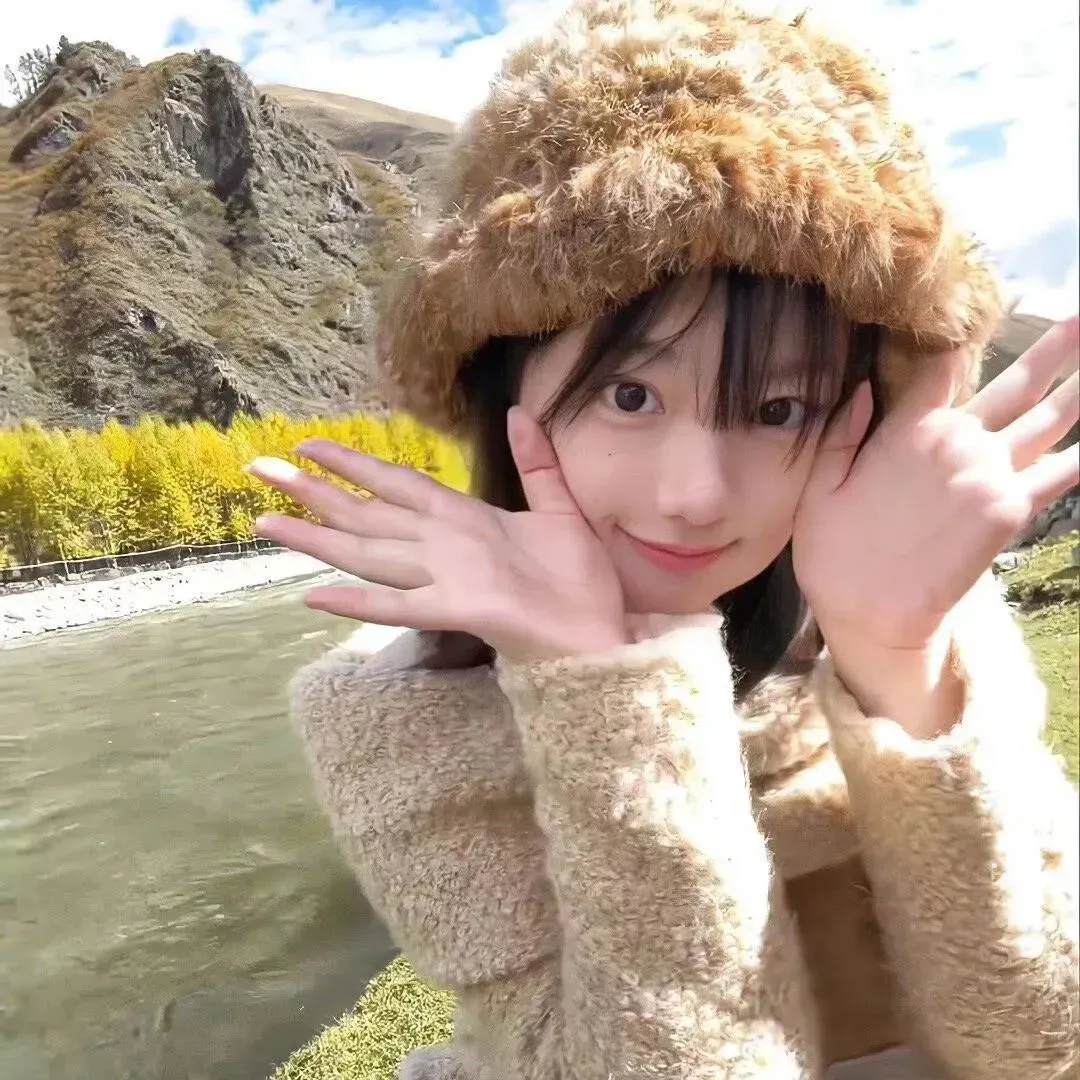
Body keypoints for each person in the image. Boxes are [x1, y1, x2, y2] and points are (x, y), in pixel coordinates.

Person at [248, 1, 1080, 1076]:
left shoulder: (921, 606)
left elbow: (1040, 1043)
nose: (696, 496)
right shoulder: (401, 711)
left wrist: (893, 661)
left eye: (778, 408)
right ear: (506, 386)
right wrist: (601, 689)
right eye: (631, 395)